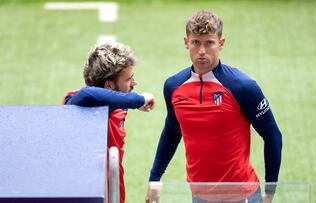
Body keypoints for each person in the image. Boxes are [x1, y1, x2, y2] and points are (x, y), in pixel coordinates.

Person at [145, 11, 282, 203]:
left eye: (209, 43)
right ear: (186, 42)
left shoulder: (242, 86)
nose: (202, 51)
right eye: (196, 42)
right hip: (199, 196)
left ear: (221, 43)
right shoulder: (173, 87)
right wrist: (154, 180)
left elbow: (272, 134)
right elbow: (171, 131)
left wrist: (270, 191)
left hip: (242, 196)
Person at [62, 42, 155, 203]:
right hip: (89, 193)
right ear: (109, 85)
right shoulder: (77, 105)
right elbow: (87, 95)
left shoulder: (120, 106)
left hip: (114, 189)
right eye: (129, 79)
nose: (135, 83)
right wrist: (139, 100)